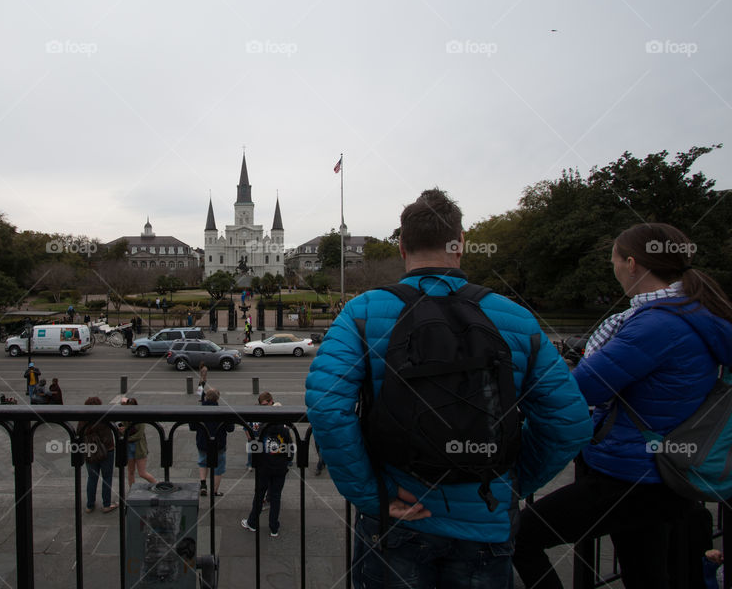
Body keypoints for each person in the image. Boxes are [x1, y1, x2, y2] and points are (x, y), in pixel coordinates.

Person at [306, 189, 592, 588]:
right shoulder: (515, 317)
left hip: (399, 517)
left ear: (402, 246)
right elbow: (571, 423)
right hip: (485, 520)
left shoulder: (363, 311)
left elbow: (326, 407)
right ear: (460, 244)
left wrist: (374, 495)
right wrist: (510, 480)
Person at [513, 222, 732, 589]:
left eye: (614, 260)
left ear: (632, 264)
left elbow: (583, 389)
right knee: (646, 574)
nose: (613, 269)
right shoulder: (695, 312)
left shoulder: (657, 324)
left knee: (523, 535)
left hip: (632, 474)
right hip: (669, 472)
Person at [241, 408, 293, 537]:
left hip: (264, 467)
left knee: (259, 494)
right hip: (280, 468)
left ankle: (252, 522)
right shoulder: (285, 431)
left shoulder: (263, 429)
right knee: (276, 497)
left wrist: (256, 462)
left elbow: (256, 447)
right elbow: (290, 450)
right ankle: (273, 527)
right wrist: (286, 461)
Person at [189, 388, 233, 497]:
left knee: (203, 462)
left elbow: (192, 427)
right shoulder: (223, 412)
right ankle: (214, 491)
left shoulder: (198, 411)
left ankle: (203, 483)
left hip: (203, 442)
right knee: (218, 468)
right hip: (218, 444)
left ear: (206, 397)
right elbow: (230, 428)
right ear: (217, 399)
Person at [77, 397, 118, 513]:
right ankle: (106, 504)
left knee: (92, 478)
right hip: (107, 451)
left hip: (90, 451)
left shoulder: (82, 420)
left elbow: (78, 435)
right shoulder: (104, 417)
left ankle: (90, 505)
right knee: (107, 477)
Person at [121, 398, 157, 486]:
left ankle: (157, 485)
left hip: (139, 447)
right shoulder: (125, 417)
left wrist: (126, 436)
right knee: (130, 471)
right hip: (129, 447)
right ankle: (131, 491)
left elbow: (139, 435)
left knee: (142, 473)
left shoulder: (140, 418)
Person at [245, 392, 273, 470]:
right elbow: (246, 427)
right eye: (262, 405)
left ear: (271, 402)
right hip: (254, 436)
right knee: (251, 451)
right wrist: (249, 437)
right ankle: (250, 464)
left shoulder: (274, 410)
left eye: (266, 404)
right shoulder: (255, 413)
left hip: (266, 436)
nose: (264, 407)